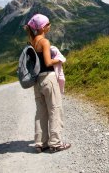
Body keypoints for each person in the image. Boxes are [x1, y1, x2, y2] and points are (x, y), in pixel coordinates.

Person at [24, 13, 71, 153]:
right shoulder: (44, 42)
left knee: (41, 112)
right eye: (48, 24)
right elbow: (48, 62)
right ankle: (56, 143)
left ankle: (40, 143)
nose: (50, 26)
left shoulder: (32, 42)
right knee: (55, 109)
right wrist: (60, 59)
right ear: (43, 27)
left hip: (37, 80)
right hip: (48, 79)